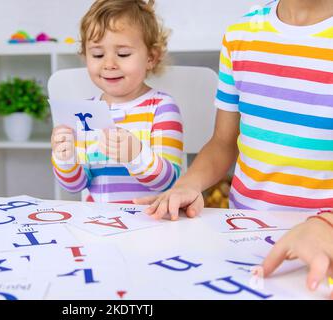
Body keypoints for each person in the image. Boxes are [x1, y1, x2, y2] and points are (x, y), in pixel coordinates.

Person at [134, 0, 333, 296]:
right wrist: (188, 185)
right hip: (246, 236)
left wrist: (326, 224)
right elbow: (223, 142)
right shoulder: (241, 33)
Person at [50, 0, 184, 204]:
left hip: (150, 224)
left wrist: (136, 155)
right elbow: (75, 186)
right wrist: (65, 159)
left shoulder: (161, 108)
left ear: (151, 57)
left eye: (123, 54)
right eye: (97, 54)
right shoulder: (85, 113)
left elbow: (167, 181)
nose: (109, 64)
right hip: (97, 225)